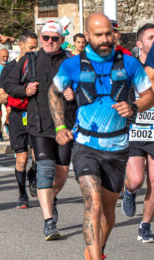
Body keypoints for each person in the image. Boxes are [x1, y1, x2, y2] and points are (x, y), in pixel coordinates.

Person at [49, 13, 154, 259]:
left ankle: (97, 250)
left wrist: (135, 107)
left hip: (117, 147)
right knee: (93, 205)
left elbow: (149, 94)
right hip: (86, 144)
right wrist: (59, 127)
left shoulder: (129, 63)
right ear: (87, 37)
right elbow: (54, 93)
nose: (105, 38)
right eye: (99, 34)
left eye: (109, 33)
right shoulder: (73, 64)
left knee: (107, 212)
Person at [4, 21, 76, 240]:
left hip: (65, 127)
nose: (50, 42)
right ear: (41, 38)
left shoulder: (72, 62)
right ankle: (48, 222)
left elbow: (89, 88)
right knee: (45, 170)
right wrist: (25, 90)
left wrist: (75, 93)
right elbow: (8, 85)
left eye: (55, 38)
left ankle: (51, 199)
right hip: (39, 126)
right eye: (46, 37)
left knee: (61, 174)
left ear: (62, 40)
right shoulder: (30, 60)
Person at [122, 23, 154, 243]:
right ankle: (129, 191)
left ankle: (145, 225)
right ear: (140, 43)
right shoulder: (129, 69)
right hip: (134, 131)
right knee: (136, 180)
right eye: (151, 37)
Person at [1, 31, 39, 207]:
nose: (34, 50)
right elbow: (1, 96)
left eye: (36, 47)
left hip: (35, 114)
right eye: (31, 47)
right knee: (21, 159)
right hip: (17, 115)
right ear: (21, 46)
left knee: (39, 155)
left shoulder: (39, 64)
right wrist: (19, 94)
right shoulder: (9, 68)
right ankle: (22, 194)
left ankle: (34, 173)